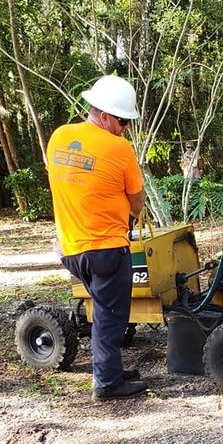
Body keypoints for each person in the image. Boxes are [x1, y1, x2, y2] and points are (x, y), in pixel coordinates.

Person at [46, 75, 146, 400]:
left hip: (70, 250)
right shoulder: (119, 148)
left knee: (103, 311)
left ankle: (110, 369)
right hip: (106, 250)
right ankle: (107, 384)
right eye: (122, 121)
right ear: (104, 115)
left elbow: (69, 185)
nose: (125, 128)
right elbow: (137, 202)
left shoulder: (59, 137)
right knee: (110, 318)